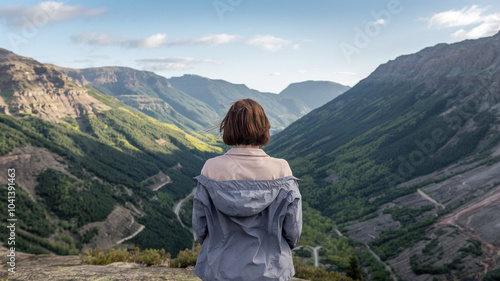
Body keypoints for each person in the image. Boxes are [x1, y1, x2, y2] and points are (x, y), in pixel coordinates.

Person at [192, 98, 302, 281]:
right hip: (271, 270)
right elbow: (293, 230)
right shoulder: (282, 169)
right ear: (264, 126)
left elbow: (200, 227)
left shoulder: (210, 168)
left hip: (219, 270)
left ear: (229, 128)